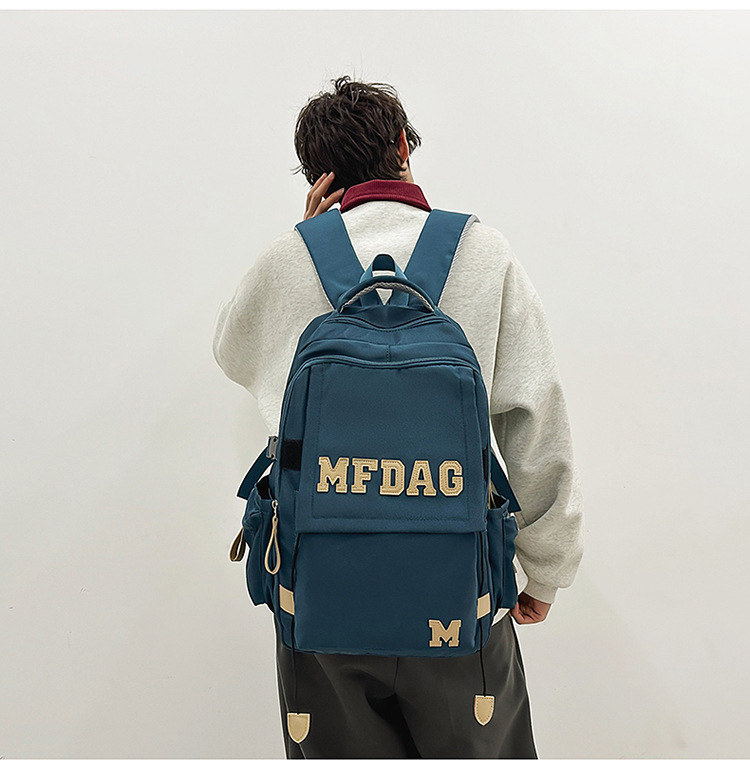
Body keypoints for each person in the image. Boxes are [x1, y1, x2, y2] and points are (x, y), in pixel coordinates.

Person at [213, 75, 584, 759]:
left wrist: (306, 236)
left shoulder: (289, 257)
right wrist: (545, 566)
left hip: (319, 596)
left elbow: (231, 352)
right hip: (460, 592)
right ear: (404, 149)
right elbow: (536, 420)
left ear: (317, 176)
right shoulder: (484, 252)